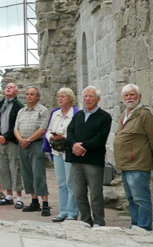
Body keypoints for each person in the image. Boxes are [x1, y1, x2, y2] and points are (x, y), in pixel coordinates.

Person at [113, 84, 153, 231]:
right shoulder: (124, 115)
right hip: (125, 165)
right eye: (126, 95)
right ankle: (135, 225)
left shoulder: (144, 115)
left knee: (141, 199)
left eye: (132, 95)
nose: (129, 98)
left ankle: (144, 228)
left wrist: (147, 155)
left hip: (138, 164)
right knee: (131, 199)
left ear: (139, 97)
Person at [66, 86, 112, 228]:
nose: (87, 99)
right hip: (76, 159)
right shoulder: (78, 115)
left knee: (96, 193)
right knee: (79, 193)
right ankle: (85, 219)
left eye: (91, 96)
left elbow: (101, 138)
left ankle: (99, 221)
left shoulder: (105, 117)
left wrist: (83, 146)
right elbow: (70, 131)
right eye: (86, 96)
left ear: (98, 99)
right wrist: (74, 145)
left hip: (93, 160)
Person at [13, 86, 51, 216]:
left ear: (38, 97)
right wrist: (21, 140)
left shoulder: (43, 110)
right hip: (22, 145)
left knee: (38, 173)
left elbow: (42, 129)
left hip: (36, 144)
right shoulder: (21, 111)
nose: (29, 96)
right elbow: (16, 128)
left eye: (32, 94)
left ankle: (45, 203)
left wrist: (28, 140)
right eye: (28, 94)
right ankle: (34, 201)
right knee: (27, 173)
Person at [44, 87, 79, 222]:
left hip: (69, 152)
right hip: (57, 151)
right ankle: (63, 211)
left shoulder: (75, 114)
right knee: (61, 183)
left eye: (62, 97)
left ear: (69, 99)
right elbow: (48, 131)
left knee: (71, 183)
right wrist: (52, 138)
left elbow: (75, 133)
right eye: (58, 96)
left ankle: (72, 212)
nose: (59, 99)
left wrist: (63, 136)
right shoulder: (55, 114)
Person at [0, 82, 25, 208]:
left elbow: (17, 124)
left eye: (12, 87)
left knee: (15, 168)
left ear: (16, 92)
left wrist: (6, 136)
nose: (8, 88)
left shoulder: (19, 106)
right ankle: (9, 195)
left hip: (12, 142)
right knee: (2, 168)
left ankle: (19, 197)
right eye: (7, 87)